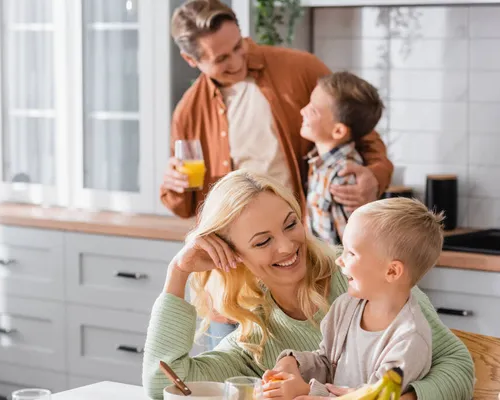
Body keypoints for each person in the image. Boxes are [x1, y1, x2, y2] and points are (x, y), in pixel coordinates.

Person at [161, 0, 393, 346]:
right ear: (192, 61)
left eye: (238, 46)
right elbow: (186, 205)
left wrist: (373, 176)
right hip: (235, 283)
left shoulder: (300, 69)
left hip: (303, 262)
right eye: (221, 59)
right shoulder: (189, 111)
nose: (237, 61)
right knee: (236, 381)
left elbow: (362, 135)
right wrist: (174, 185)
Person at [142, 170, 474, 400]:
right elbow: (164, 386)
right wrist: (178, 272)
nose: (286, 247)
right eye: (262, 242)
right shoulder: (254, 336)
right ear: (233, 255)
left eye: (290, 224)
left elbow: (458, 366)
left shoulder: (360, 274)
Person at [262, 198, 443, 399]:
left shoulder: (409, 340)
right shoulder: (345, 307)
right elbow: (327, 363)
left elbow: (372, 397)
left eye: (352, 253)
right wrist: (293, 362)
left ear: (391, 271)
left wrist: (307, 391)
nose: (340, 259)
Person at [301, 71, 384, 245]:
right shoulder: (320, 164)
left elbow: (352, 248)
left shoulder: (343, 176)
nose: (302, 111)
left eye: (313, 110)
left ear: (338, 131)